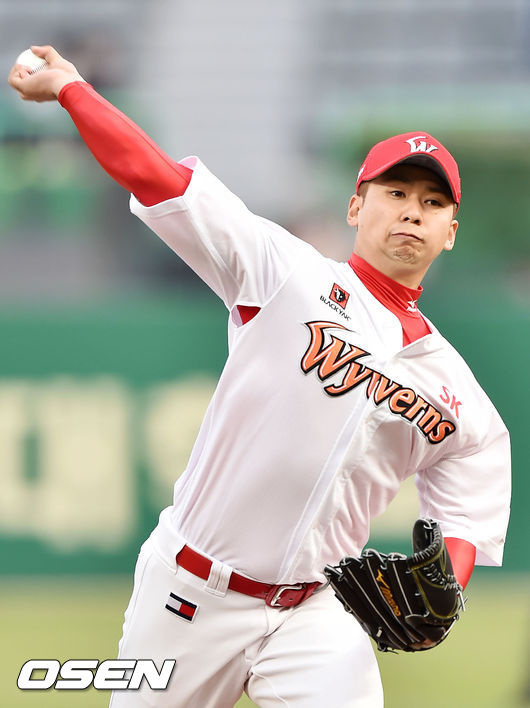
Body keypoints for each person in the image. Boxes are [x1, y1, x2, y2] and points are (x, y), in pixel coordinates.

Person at [8, 46, 511, 708]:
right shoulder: (284, 274)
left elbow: (467, 513)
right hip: (190, 596)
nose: (413, 211)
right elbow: (158, 180)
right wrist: (73, 89)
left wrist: (446, 588)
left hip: (319, 613)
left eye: (433, 201)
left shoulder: (458, 396)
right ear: (355, 208)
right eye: (395, 193)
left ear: (450, 232)